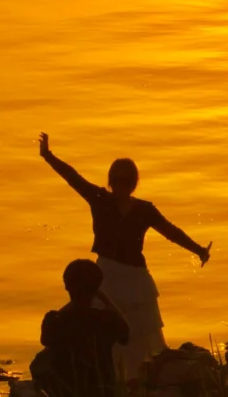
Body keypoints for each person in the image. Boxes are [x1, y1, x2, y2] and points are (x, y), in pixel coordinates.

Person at [38, 133, 211, 380]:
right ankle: (104, 376)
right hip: (106, 273)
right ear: (110, 181)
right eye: (117, 180)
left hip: (136, 276)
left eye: (125, 180)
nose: (120, 185)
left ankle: (135, 379)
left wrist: (198, 249)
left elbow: (170, 231)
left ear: (133, 183)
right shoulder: (99, 199)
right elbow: (72, 178)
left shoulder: (144, 210)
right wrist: (48, 156)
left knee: (139, 333)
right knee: (101, 329)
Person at [33, 258, 130, 397]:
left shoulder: (55, 321)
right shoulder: (106, 320)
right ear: (97, 288)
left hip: (66, 396)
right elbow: (126, 334)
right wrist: (103, 298)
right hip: (103, 395)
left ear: (66, 286)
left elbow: (45, 340)